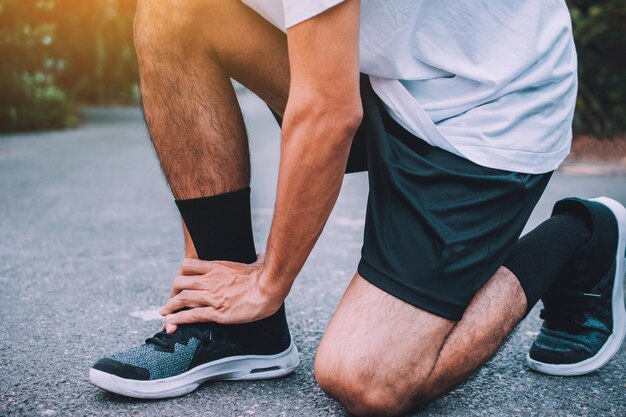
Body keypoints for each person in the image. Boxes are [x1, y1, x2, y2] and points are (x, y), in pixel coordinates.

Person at [89, 1, 626, 415]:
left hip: (484, 110)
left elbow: (328, 112)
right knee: (176, 13)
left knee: (367, 379)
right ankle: (236, 329)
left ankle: (581, 235)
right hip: (383, 77)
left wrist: (269, 282)